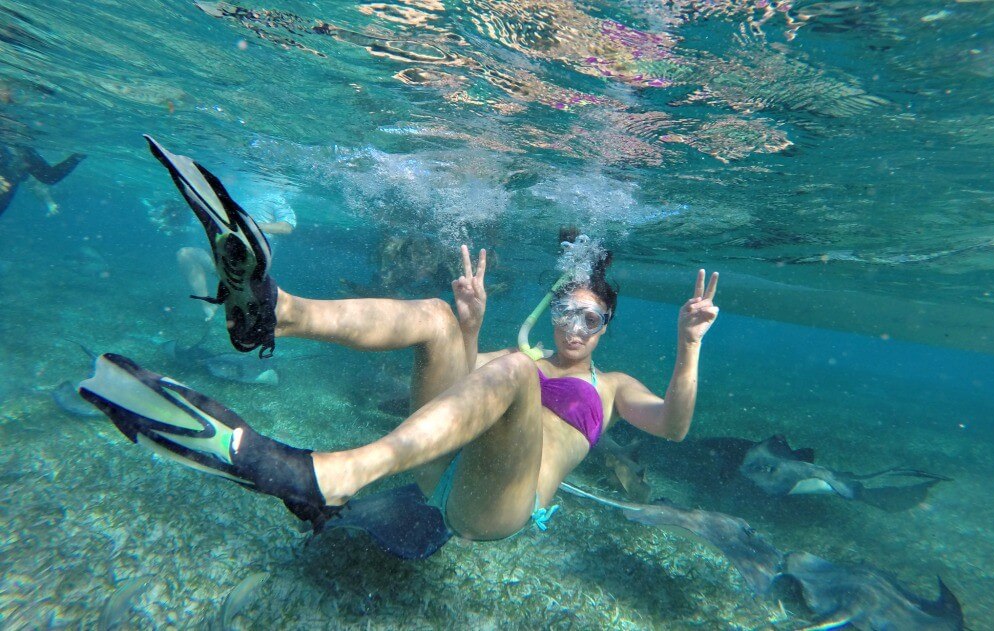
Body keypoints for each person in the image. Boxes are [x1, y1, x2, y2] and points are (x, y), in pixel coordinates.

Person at [81, 137, 720, 543]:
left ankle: (335, 474)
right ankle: (272, 313)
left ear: (606, 327)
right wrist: (469, 327)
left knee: (517, 374)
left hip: (496, 507)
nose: (574, 326)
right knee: (439, 319)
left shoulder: (611, 387)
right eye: (565, 309)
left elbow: (672, 427)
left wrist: (688, 342)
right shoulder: (515, 358)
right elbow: (466, 389)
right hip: (436, 467)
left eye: (590, 318)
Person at [174, 177, 297, 321]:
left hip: (250, 264)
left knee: (248, 312)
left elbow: (286, 227)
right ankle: (207, 305)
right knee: (185, 254)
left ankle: (258, 315)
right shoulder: (239, 196)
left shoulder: (276, 199)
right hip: (224, 258)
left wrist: (253, 226)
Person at [0, 143, 85, 218]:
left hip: (11, 146)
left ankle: (81, 152)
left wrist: (49, 202)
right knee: (49, 177)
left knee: (49, 177)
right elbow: (33, 184)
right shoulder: (17, 166)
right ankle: (81, 152)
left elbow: (33, 184)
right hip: (15, 149)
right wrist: (49, 203)